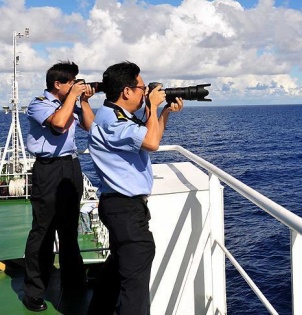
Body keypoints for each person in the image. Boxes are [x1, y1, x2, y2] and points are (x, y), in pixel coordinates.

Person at [87, 61, 183, 315]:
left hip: (122, 207)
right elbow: (151, 143)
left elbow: (150, 137)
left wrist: (162, 113)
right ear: (127, 91)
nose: (145, 93)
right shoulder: (113, 121)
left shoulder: (115, 115)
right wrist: (152, 105)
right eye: (142, 88)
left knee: (120, 265)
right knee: (135, 284)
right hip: (124, 209)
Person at [23, 61, 95, 312]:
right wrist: (73, 98)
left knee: (68, 229)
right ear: (58, 84)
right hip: (49, 168)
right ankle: (34, 290)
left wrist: (83, 101)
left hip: (71, 167)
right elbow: (58, 124)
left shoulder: (71, 102)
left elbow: (89, 126)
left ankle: (74, 281)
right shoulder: (38, 104)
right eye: (72, 81)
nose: (76, 84)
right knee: (43, 230)